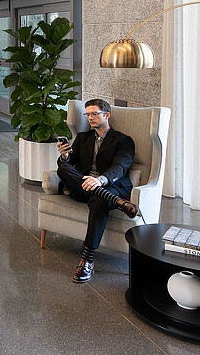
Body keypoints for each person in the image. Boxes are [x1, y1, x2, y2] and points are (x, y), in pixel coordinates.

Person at [56, 99, 140, 283]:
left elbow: (120, 166)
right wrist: (65, 155)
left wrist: (100, 180)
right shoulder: (83, 138)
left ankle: (86, 260)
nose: (90, 118)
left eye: (94, 113)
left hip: (109, 185)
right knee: (62, 168)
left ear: (107, 115)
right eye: (88, 114)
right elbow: (70, 165)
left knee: (99, 199)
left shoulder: (123, 140)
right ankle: (117, 202)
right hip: (83, 186)